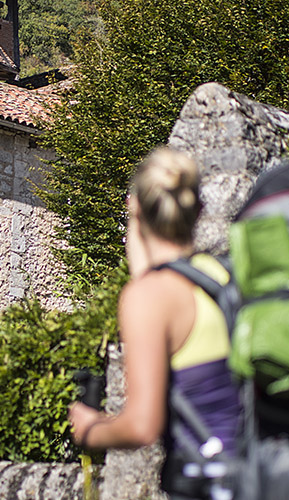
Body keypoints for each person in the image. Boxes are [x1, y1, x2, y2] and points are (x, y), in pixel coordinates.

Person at [68, 147, 242, 499]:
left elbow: (142, 426)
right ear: (199, 211)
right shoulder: (224, 275)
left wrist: (90, 429)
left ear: (136, 207)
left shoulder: (148, 297)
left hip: (206, 484)